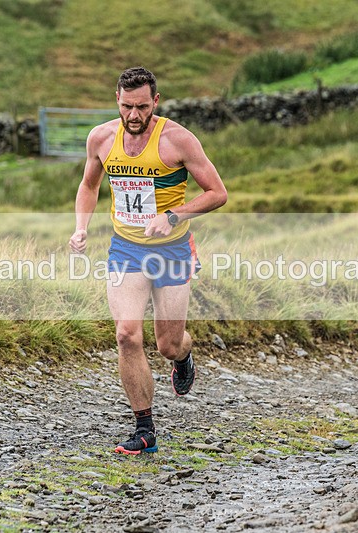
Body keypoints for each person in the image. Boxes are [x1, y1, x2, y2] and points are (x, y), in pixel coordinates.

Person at [69, 67, 227, 455]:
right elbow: (89, 185)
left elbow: (217, 193)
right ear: (117, 101)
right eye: (127, 107)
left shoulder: (178, 140)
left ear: (155, 101)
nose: (134, 115)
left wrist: (173, 216)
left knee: (168, 344)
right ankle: (144, 429)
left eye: (141, 106)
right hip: (126, 250)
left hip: (172, 250)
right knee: (126, 333)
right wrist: (81, 227)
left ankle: (185, 356)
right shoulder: (102, 138)